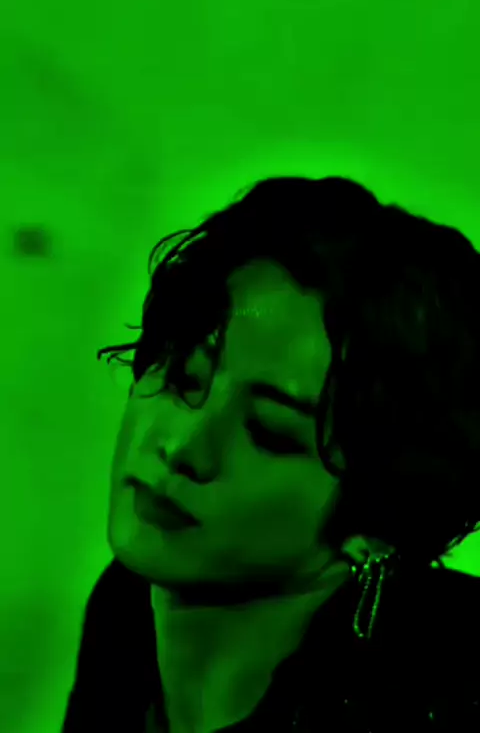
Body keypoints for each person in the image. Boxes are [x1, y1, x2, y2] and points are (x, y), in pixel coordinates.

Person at [62, 175, 480, 733]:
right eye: (184, 378)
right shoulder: (127, 603)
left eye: (268, 432)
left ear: (381, 519)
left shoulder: (446, 691)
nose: (183, 448)